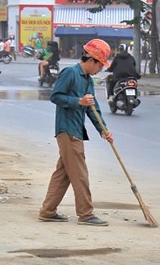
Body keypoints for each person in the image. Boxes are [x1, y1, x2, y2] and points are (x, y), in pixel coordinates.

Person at [38, 39, 114, 226]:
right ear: (91, 60)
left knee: (63, 174)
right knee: (80, 174)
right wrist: (78, 101)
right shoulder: (70, 73)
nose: (100, 70)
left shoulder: (87, 80)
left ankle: (47, 211)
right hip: (67, 130)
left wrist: (103, 130)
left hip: (76, 131)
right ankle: (86, 214)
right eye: (100, 66)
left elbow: (92, 108)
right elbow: (55, 96)